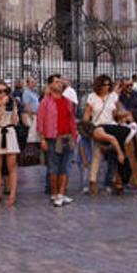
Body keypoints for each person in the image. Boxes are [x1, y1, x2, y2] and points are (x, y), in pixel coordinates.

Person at [37, 74, 77, 207]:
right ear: (50, 86)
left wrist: (74, 135)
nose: (59, 84)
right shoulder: (45, 102)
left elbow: (71, 120)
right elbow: (40, 121)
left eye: (60, 82)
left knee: (66, 167)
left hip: (68, 137)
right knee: (54, 167)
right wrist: (42, 138)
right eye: (56, 82)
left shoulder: (68, 101)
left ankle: (61, 193)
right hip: (53, 137)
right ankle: (54, 193)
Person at [83, 75, 121, 195]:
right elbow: (87, 113)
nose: (107, 87)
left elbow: (116, 113)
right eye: (104, 85)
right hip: (98, 127)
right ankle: (93, 181)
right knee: (97, 155)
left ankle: (114, 180)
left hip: (112, 126)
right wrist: (86, 127)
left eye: (109, 84)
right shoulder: (92, 97)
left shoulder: (113, 96)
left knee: (113, 155)